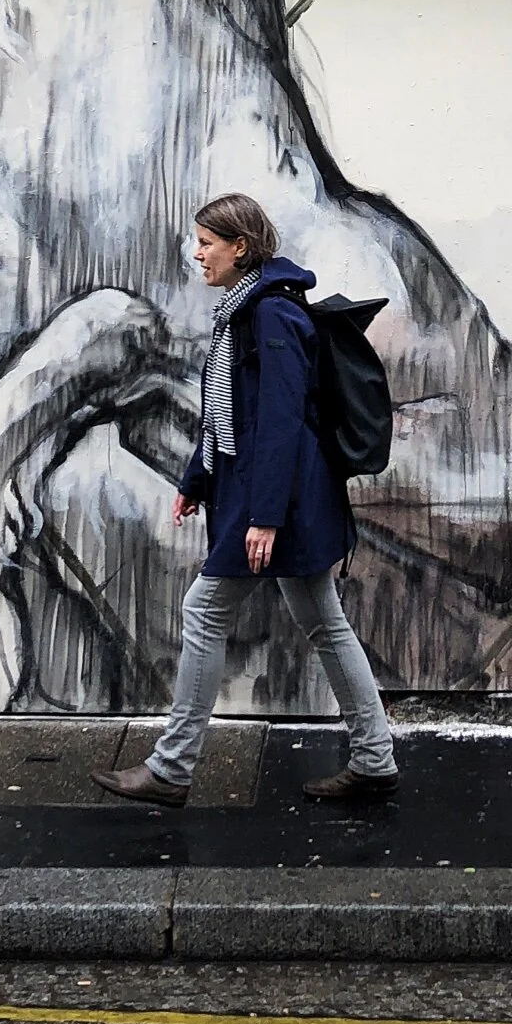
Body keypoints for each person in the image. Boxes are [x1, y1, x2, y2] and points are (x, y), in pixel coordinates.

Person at [93, 192, 399, 809]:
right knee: (325, 624)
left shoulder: (272, 315)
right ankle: (375, 759)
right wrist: (195, 481)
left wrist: (265, 518)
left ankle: (172, 767)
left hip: (277, 501)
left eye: (207, 242)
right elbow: (226, 412)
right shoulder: (243, 310)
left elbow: (281, 422)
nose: (197, 253)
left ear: (240, 247)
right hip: (271, 496)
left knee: (204, 613)